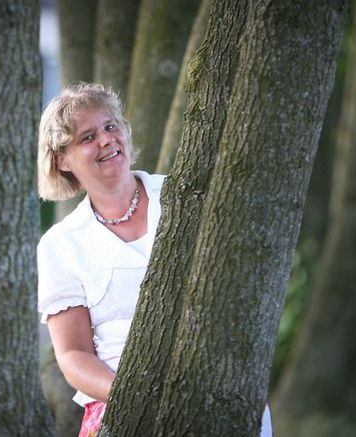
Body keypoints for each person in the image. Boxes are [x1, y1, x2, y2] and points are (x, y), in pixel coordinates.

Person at [36, 83, 271, 436]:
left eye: (111, 126)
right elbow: (73, 356)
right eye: (87, 137)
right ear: (62, 160)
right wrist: (139, 399)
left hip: (221, 391)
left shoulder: (187, 196)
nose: (106, 140)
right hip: (127, 411)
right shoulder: (61, 244)